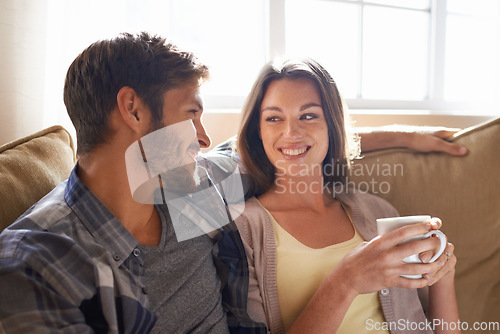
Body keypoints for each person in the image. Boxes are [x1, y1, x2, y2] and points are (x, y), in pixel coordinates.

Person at [0, 32, 465, 333]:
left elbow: (290, 146)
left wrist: (404, 136)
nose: (204, 139)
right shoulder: (38, 263)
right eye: (192, 114)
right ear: (134, 110)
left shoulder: (188, 198)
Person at [233, 58, 460, 334]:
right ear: (258, 130)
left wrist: (444, 276)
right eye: (273, 118)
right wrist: (346, 281)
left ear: (332, 124)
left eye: (308, 115)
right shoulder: (242, 230)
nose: (290, 132)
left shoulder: (379, 211)